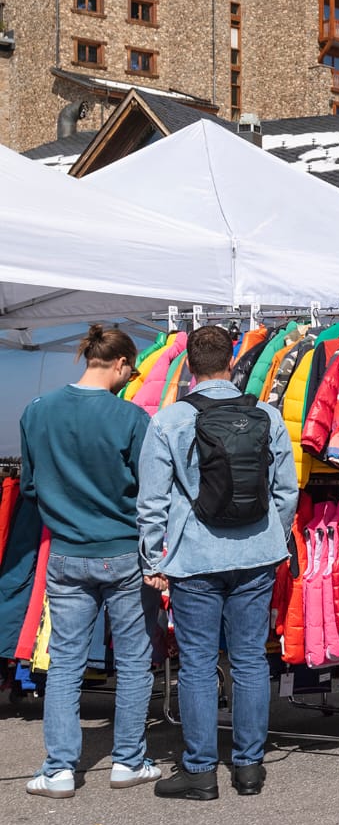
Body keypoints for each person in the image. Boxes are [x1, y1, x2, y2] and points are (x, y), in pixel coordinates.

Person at [136, 325, 297, 800]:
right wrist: (275, 537)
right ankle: (249, 768)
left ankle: (201, 771)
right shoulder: (267, 414)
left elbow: (152, 501)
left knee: (199, 664)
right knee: (249, 659)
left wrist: (152, 556)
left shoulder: (169, 420)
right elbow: (285, 491)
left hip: (194, 559)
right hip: (256, 554)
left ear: (188, 368)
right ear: (233, 362)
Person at [20, 325, 160, 799]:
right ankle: (128, 760)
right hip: (123, 551)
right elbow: (150, 493)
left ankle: (59, 769)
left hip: (66, 551)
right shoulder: (131, 418)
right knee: (136, 661)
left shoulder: (37, 411)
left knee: (65, 664)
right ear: (120, 364)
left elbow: (31, 487)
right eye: (132, 369)